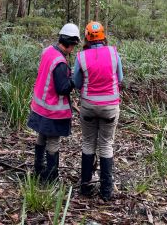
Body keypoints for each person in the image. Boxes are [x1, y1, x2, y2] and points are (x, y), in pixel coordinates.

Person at [73, 21, 123, 201]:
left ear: (86, 37)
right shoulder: (113, 53)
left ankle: (85, 188)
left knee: (88, 143)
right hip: (110, 106)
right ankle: (106, 191)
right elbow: (120, 78)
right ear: (103, 36)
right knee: (106, 145)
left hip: (88, 106)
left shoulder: (80, 56)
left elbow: (77, 83)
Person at [27, 22, 80, 182]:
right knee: (53, 141)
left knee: (42, 136)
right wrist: (73, 80)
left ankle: (38, 168)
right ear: (71, 44)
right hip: (53, 110)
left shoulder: (47, 51)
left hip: (40, 106)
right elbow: (62, 88)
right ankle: (50, 176)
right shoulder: (60, 63)